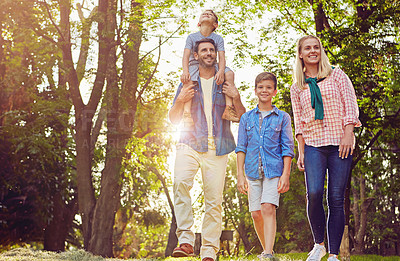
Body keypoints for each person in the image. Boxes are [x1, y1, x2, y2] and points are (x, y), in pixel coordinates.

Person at [169, 38, 246, 261]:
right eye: (204, 50)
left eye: (212, 50)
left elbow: (241, 117)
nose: (209, 53)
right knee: (180, 182)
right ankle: (185, 239)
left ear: (217, 55)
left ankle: (209, 251)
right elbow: (174, 119)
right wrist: (179, 100)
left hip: (218, 147)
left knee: (214, 200)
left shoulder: (225, 82)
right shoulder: (187, 84)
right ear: (196, 55)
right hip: (189, 142)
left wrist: (237, 96)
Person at [290, 35, 361, 261]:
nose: (313, 51)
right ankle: (318, 244)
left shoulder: (336, 74)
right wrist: (301, 151)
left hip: (340, 143)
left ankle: (333, 255)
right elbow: (299, 121)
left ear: (320, 51)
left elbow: (350, 104)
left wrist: (349, 133)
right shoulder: (297, 86)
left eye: (316, 47)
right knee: (314, 193)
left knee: (336, 198)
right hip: (313, 145)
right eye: (307, 48)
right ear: (300, 54)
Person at [236, 72, 294, 260]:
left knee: (268, 207)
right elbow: (241, 148)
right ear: (255, 91)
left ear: (275, 91)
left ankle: (268, 254)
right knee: (256, 214)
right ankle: (266, 250)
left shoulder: (282, 117)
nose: (264, 90)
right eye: (261, 87)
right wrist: (240, 175)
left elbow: (287, 147)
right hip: (252, 171)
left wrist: (286, 174)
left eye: (269, 87)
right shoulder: (246, 118)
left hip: (273, 171)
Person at [180, 9, 239, 124]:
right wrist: (185, 71)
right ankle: (187, 114)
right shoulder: (191, 37)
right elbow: (186, 55)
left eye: (211, 14)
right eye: (204, 13)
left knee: (230, 73)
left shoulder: (218, 38)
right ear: (198, 23)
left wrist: (221, 71)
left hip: (211, 63)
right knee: (188, 82)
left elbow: (221, 57)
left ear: (215, 25)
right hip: (194, 64)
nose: (207, 14)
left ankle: (228, 107)